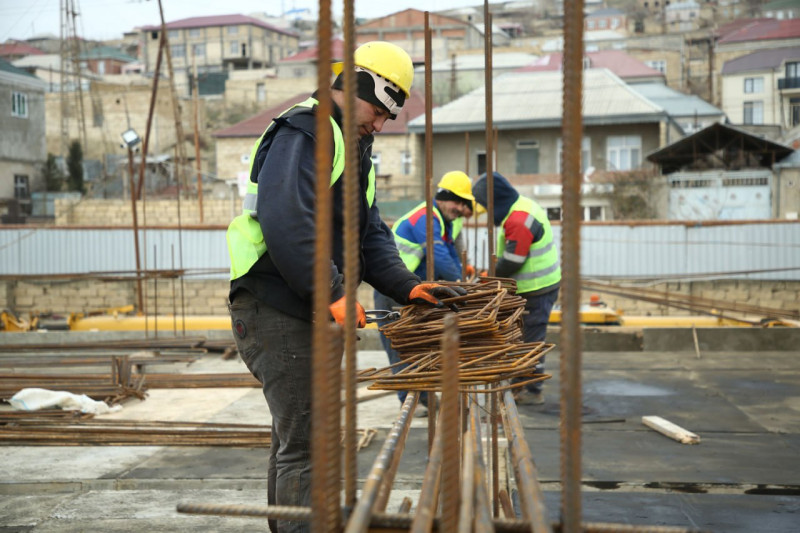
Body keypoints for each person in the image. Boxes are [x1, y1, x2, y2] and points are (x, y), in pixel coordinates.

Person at [225, 41, 461, 533]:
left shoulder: (352, 148)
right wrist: (333, 290)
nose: (379, 124)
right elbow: (286, 220)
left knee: (298, 441)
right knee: (306, 445)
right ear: (355, 87)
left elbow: (367, 232)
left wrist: (407, 287)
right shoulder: (306, 132)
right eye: (377, 111)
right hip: (277, 306)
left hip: (301, 306)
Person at [373, 171, 475, 416]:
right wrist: (462, 288)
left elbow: (449, 253)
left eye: (463, 204)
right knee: (400, 346)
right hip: (391, 289)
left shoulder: (440, 220)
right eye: (457, 202)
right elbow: (439, 258)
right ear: (443, 197)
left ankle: (425, 397)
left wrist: (463, 278)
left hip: (409, 289)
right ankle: (411, 401)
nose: (460, 209)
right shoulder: (425, 219)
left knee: (419, 344)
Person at [472, 172, 561, 405]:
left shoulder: (519, 219)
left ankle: (532, 390)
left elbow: (513, 260)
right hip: (533, 287)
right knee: (523, 338)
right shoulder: (520, 207)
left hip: (538, 288)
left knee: (531, 340)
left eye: (485, 206)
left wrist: (488, 278)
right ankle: (522, 382)